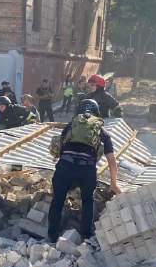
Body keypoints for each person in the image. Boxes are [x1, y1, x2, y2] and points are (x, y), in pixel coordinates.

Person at [47, 99, 121, 242]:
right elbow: (112, 162)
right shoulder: (102, 131)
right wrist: (113, 184)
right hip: (87, 169)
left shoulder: (71, 125)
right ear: (97, 113)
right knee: (87, 201)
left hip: (65, 166)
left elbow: (59, 150)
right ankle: (85, 237)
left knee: (57, 200)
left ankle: (52, 237)